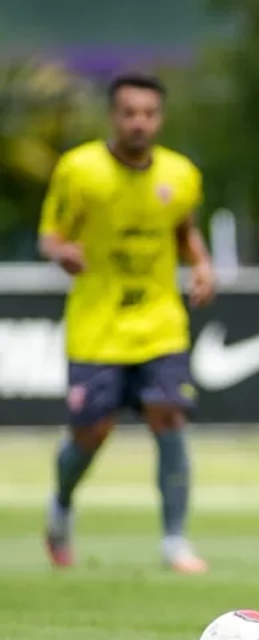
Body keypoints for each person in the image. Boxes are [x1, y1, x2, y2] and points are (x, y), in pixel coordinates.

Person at [39, 73, 214, 574]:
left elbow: (184, 230)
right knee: (92, 432)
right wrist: (62, 253)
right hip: (97, 324)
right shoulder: (80, 170)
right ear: (113, 116)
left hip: (159, 321)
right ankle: (61, 505)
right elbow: (50, 234)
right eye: (129, 113)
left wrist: (201, 264)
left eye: (149, 113)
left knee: (170, 416)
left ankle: (174, 541)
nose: (140, 122)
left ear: (160, 117)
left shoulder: (180, 174)